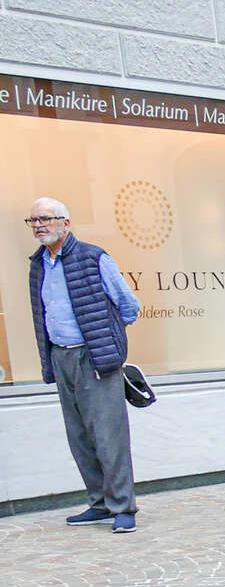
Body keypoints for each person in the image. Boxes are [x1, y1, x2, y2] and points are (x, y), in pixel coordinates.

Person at [28, 197, 142, 532]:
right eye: (33, 220)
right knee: (79, 436)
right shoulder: (38, 265)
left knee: (108, 436)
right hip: (60, 356)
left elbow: (128, 306)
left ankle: (123, 507)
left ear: (65, 222)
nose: (39, 225)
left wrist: (107, 342)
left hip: (93, 356)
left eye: (46, 218)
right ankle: (100, 503)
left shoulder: (93, 257)